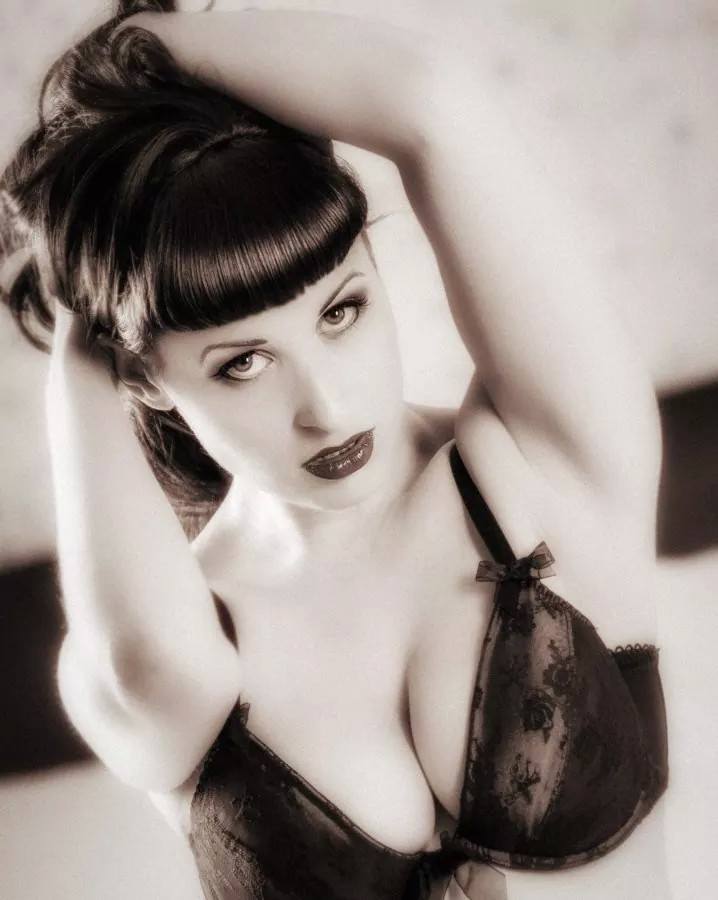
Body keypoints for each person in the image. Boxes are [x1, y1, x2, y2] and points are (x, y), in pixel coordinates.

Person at [0, 2, 669, 897]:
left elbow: (430, 104)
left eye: (341, 312)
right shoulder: (182, 646)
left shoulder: (542, 459)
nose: (330, 406)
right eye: (242, 363)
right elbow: (142, 667)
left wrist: (130, 53)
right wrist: (81, 274)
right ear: (144, 378)